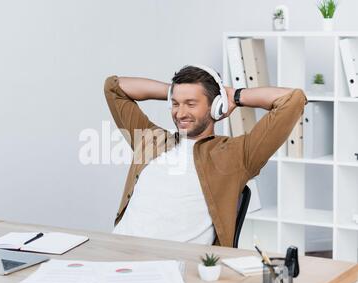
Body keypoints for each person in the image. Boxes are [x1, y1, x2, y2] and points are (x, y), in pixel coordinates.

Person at [104, 65, 307, 247]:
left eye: (190, 104)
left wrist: (235, 96)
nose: (180, 113)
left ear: (216, 106)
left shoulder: (238, 154)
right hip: (118, 251)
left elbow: (293, 100)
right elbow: (114, 88)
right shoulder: (150, 140)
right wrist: (173, 91)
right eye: (175, 104)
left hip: (176, 266)